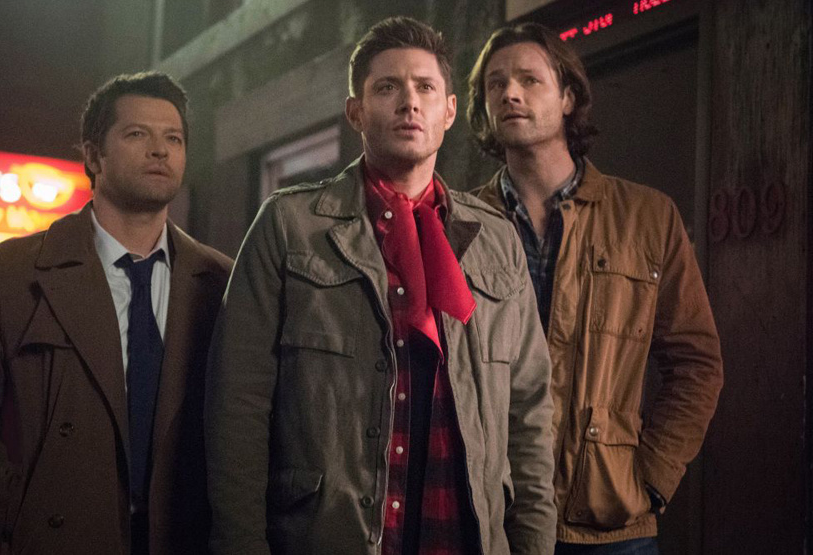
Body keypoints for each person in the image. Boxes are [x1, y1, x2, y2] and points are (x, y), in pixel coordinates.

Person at [205, 16, 556, 555]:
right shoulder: (290, 226)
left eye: (425, 88)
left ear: (449, 112)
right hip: (331, 535)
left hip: (460, 533)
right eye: (388, 87)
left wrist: (532, 545)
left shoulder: (495, 239)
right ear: (356, 112)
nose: (409, 102)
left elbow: (529, 412)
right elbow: (238, 403)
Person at [0, 71, 232, 555]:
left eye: (173, 138)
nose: (160, 150)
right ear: (92, 155)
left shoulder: (221, 282)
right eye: (137, 134)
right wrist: (21, 518)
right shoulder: (14, 272)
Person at [466, 23, 723, 554]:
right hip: (491, 517)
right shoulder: (460, 223)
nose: (510, 93)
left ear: (567, 97)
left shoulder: (647, 217)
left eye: (529, 79)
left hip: (611, 526)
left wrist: (649, 480)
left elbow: (696, 363)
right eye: (495, 83)